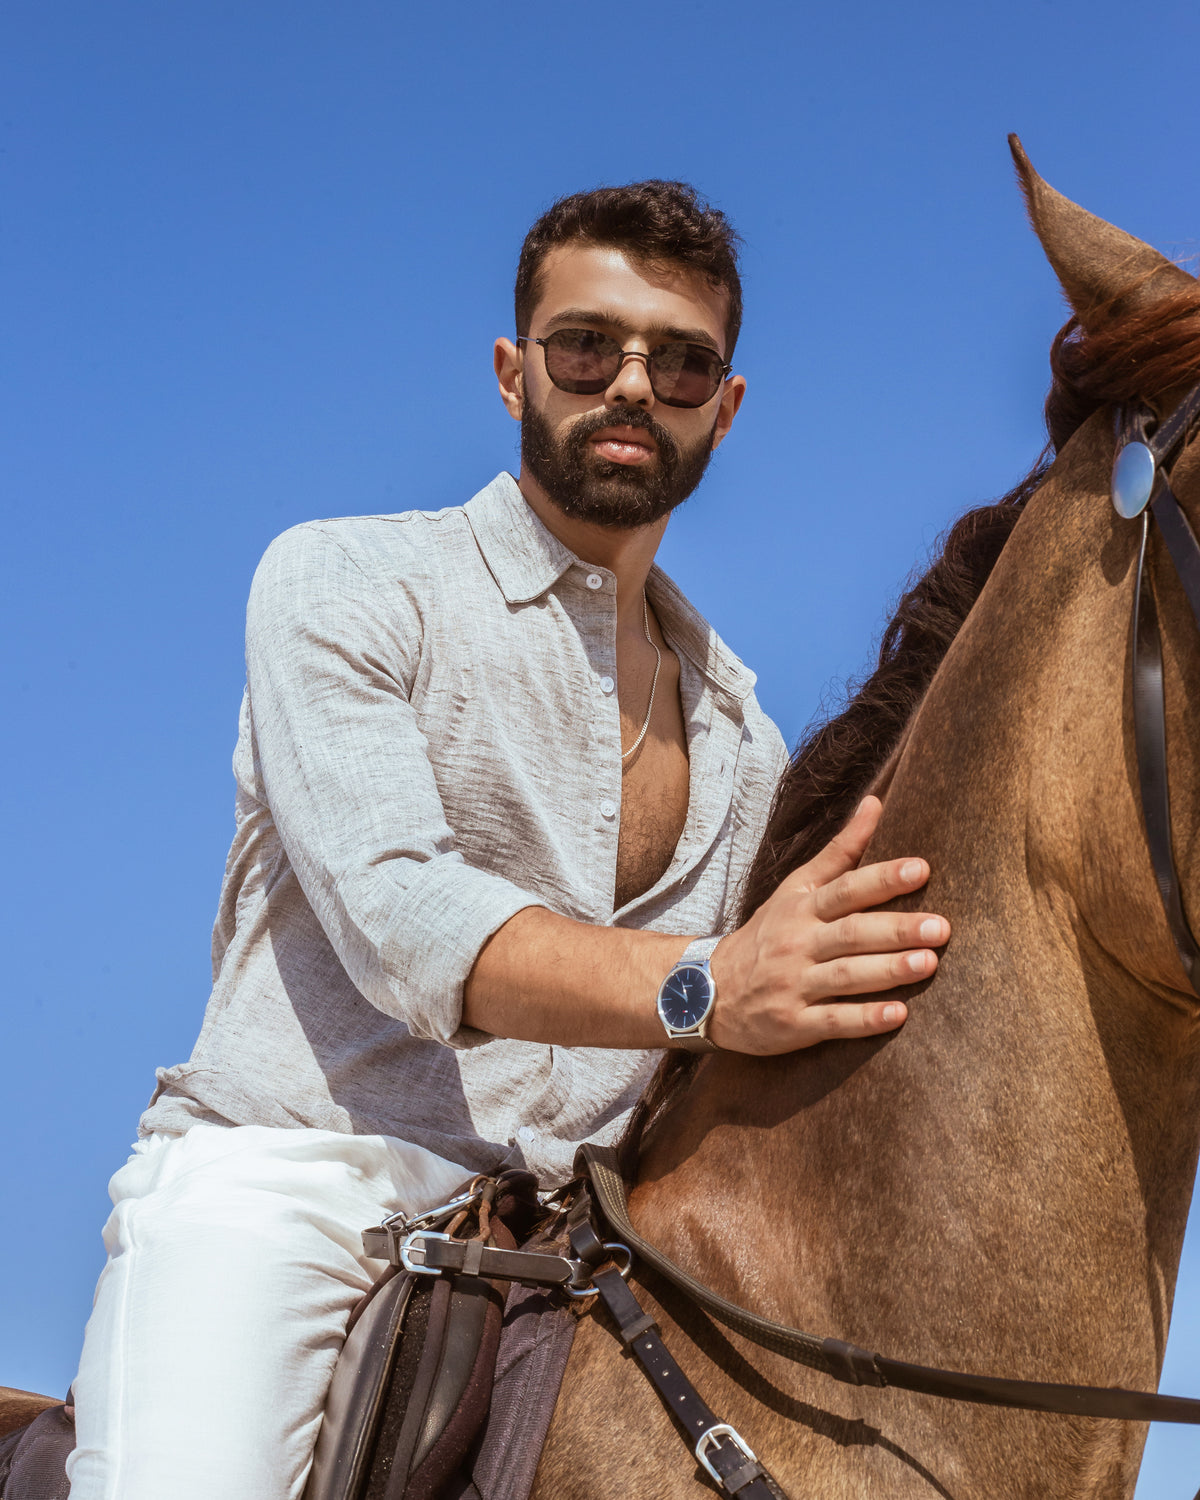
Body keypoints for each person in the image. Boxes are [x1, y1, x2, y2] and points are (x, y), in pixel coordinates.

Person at [65, 180, 949, 1500]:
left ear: (730, 404)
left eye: (682, 360)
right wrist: (715, 985)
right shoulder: (345, 581)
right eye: (587, 345)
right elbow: (402, 917)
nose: (633, 384)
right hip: (293, 1189)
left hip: (579, 1249)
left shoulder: (749, 748)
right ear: (512, 370)